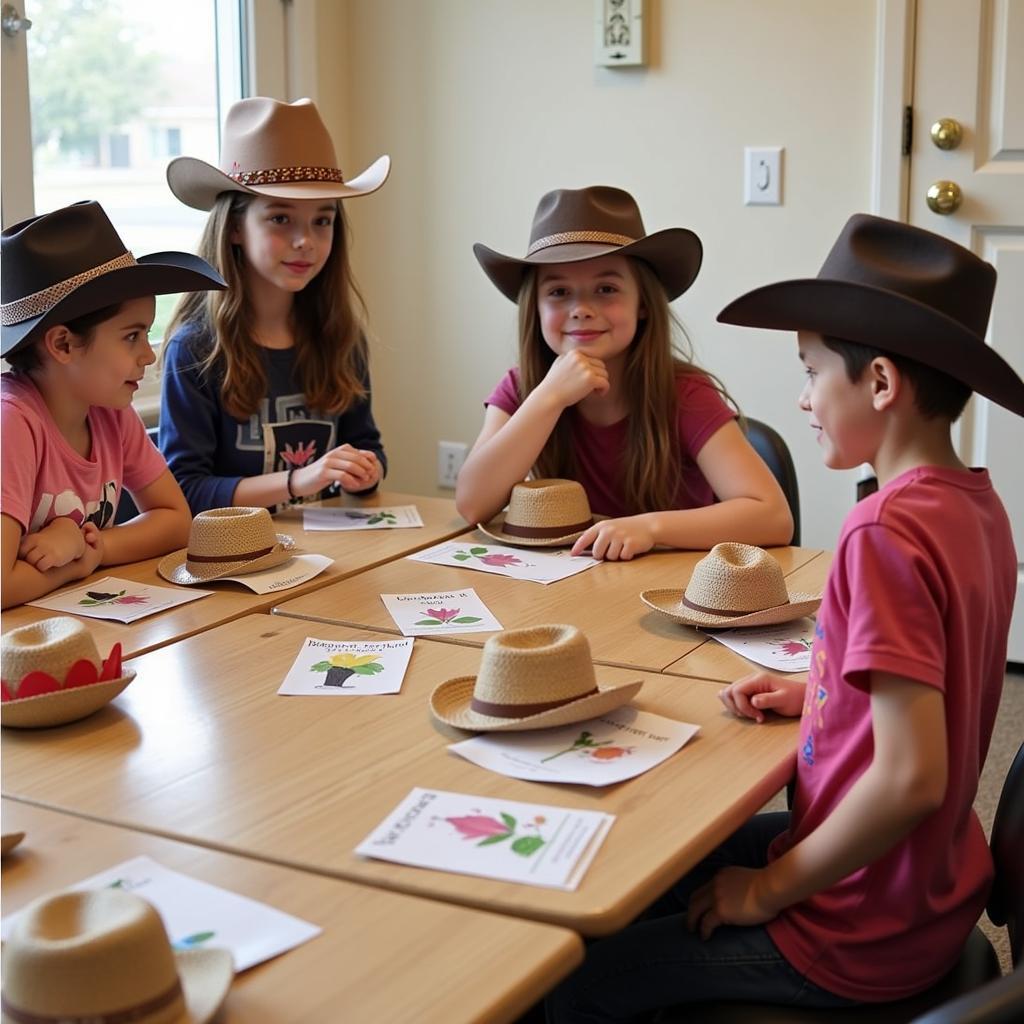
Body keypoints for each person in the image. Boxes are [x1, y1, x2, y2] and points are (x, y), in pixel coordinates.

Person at [545, 214, 1024, 1021]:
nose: (802, 398)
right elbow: (935, 684)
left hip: (854, 931)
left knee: (576, 983)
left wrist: (767, 890)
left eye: (811, 371)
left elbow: (911, 778)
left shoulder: (882, 532)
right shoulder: (976, 506)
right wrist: (826, 689)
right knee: (659, 857)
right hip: (927, 895)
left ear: (878, 383)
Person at [456, 185, 793, 560]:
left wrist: (649, 527)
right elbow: (473, 504)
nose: (581, 308)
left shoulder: (686, 395)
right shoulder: (524, 388)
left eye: (605, 288)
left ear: (643, 304)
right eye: (558, 292)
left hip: (671, 586)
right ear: (534, 308)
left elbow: (774, 517)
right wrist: (549, 398)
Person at [160, 96, 390, 514]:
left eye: (322, 220)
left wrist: (366, 471)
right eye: (281, 218)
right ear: (234, 228)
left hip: (333, 553)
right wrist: (298, 480)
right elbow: (185, 491)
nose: (305, 241)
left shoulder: (341, 336)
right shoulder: (194, 350)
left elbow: (367, 445)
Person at [1, 200, 224, 609]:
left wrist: (94, 548)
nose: (149, 356)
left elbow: (176, 521)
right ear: (64, 344)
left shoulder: (110, 412)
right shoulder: (12, 424)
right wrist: (71, 565)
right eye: (131, 336)